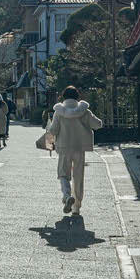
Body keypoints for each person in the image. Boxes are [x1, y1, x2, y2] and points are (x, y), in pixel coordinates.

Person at [40, 86, 103, 215]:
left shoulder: (59, 111)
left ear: (63, 97)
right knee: (78, 176)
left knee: (63, 174)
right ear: (77, 96)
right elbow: (98, 124)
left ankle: (67, 196)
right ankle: (77, 207)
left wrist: (45, 142)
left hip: (63, 147)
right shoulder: (84, 110)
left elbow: (53, 130)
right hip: (80, 147)